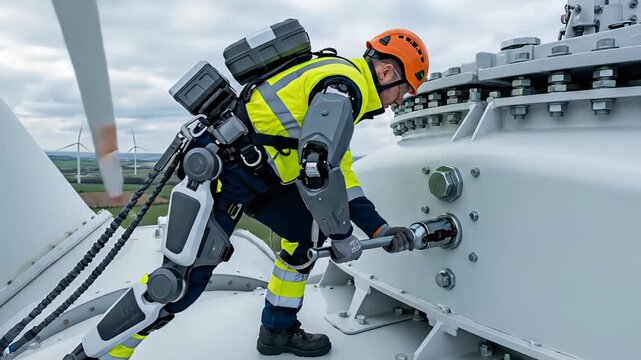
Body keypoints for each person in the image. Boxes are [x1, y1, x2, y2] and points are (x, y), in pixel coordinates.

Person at [64, 28, 428, 360]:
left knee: (304, 239)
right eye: (404, 89)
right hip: (225, 177)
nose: (398, 101)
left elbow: (342, 174)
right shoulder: (342, 88)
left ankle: (278, 329)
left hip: (256, 178)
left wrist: (379, 229)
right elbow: (317, 167)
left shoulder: (341, 88)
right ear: (386, 73)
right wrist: (342, 235)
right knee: (175, 286)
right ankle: (91, 355)